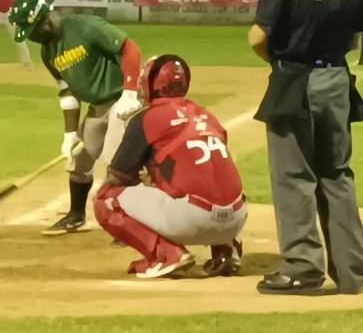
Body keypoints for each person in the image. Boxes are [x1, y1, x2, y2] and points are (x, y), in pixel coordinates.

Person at [248, 0, 363, 295]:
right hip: (337, 78)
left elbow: (257, 37)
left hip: (296, 79)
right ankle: (351, 271)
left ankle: (303, 267)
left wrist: (280, 63)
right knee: (336, 173)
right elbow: (355, 34)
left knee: (294, 177)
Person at [94, 55, 248, 279]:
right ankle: (226, 249)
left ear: (149, 84)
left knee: (105, 198)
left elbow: (118, 177)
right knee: (213, 184)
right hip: (236, 219)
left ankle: (166, 254)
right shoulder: (207, 115)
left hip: (192, 220)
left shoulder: (147, 117)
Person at [9, 0, 143, 235]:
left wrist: (131, 92)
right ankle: (76, 216)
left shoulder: (86, 27)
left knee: (117, 163)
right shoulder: (48, 52)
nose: (33, 39)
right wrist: (70, 135)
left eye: (33, 32)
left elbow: (130, 49)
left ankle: (133, 223)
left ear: (45, 20)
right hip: (97, 107)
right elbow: (67, 91)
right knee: (79, 162)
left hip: (122, 102)